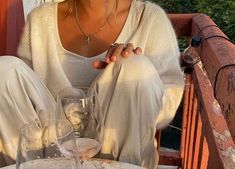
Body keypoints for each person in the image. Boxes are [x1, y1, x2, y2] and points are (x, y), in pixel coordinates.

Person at [0, 0, 184, 168]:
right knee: (4, 70)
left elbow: (167, 105)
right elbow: (25, 96)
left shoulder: (149, 19)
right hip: (48, 152)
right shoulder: (40, 19)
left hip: (117, 156)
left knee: (133, 66)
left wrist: (125, 74)